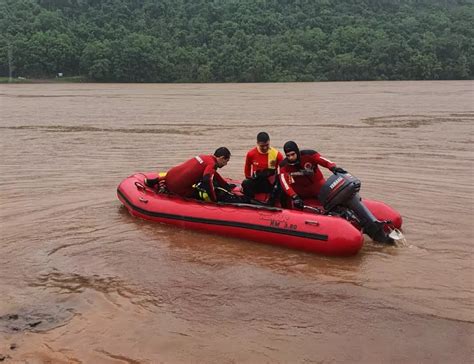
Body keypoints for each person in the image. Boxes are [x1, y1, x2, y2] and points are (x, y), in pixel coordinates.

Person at [147, 147, 235, 202]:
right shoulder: (212, 164)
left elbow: (214, 175)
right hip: (177, 188)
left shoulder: (204, 157)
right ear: (222, 158)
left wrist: (226, 186)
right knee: (202, 194)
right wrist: (214, 199)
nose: (226, 164)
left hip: (169, 176)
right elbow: (207, 180)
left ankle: (153, 181)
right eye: (226, 161)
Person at [278, 141, 346, 209]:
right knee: (282, 192)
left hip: (318, 188)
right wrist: (294, 196)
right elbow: (285, 183)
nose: (291, 158)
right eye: (288, 155)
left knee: (336, 199)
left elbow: (324, 161)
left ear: (297, 151)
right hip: (301, 192)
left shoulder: (309, 155)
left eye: (293, 154)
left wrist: (333, 168)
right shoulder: (283, 166)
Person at [242, 132, 283, 202]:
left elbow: (283, 171)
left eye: (267, 145)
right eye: (262, 146)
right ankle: (250, 203)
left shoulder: (277, 155)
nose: (265, 148)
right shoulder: (251, 154)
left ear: (269, 141)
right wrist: (248, 178)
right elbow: (247, 167)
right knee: (245, 183)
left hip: (270, 183)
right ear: (257, 143)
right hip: (257, 181)